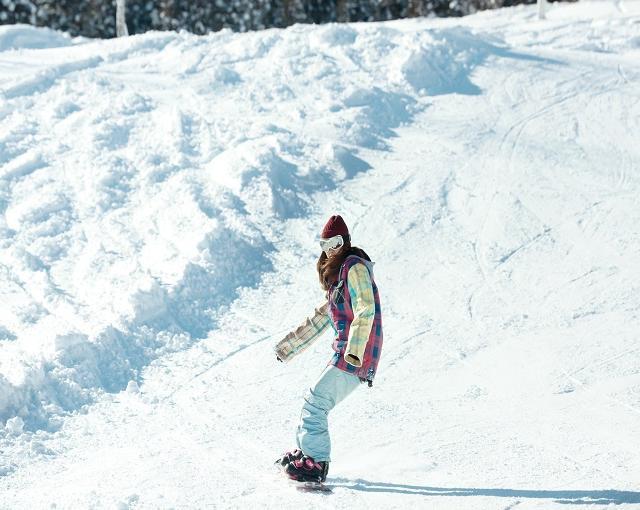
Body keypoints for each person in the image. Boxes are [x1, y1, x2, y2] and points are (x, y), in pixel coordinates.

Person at [274, 214, 383, 483]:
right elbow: (320, 319)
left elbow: (366, 308)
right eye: (325, 244)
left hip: (357, 353)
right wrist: (287, 348)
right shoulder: (338, 281)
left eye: (335, 242)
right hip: (347, 352)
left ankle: (316, 462)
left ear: (345, 241)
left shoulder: (354, 268)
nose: (330, 249)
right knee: (314, 401)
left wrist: (355, 350)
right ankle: (306, 453)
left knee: (316, 403)